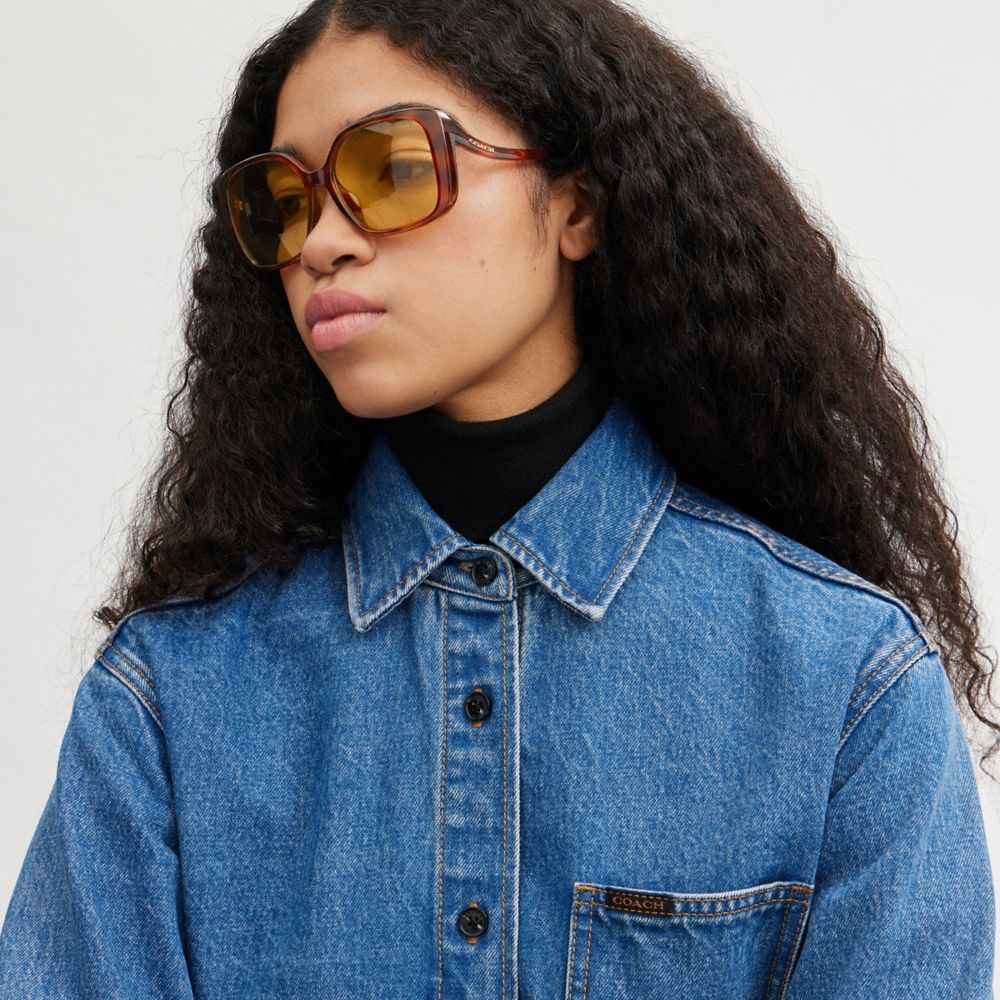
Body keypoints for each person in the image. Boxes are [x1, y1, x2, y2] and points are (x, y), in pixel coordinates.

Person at [1, 0, 996, 996]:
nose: (321, 243)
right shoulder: (168, 701)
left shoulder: (846, 683)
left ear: (577, 205)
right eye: (284, 201)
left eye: (390, 169)